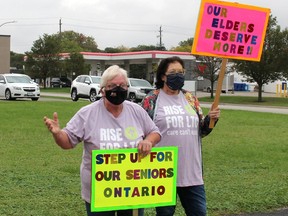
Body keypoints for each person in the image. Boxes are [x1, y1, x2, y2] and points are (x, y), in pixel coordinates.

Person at [44, 65, 161, 216]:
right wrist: (57, 133)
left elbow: (155, 132)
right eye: (112, 86)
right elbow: (67, 141)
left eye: (122, 85)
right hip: (99, 191)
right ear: (102, 89)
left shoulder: (136, 110)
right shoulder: (87, 113)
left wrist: (149, 141)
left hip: (132, 189)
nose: (118, 89)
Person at [141, 56, 220, 216]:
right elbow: (141, 131)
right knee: (165, 214)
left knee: (199, 212)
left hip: (192, 172)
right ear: (163, 76)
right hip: (163, 172)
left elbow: (201, 131)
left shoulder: (190, 98)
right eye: (173, 72)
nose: (178, 75)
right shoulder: (151, 99)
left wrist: (211, 120)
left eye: (181, 72)